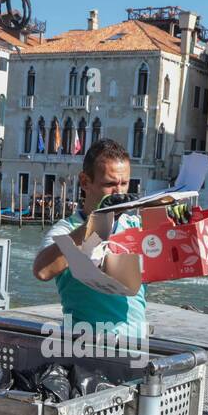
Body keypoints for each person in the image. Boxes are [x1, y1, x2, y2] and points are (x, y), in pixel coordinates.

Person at [32, 139, 146, 341]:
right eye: (110, 184)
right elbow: (42, 271)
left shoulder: (137, 227)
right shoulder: (65, 230)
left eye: (124, 183)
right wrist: (94, 225)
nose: (119, 192)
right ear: (85, 182)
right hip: (84, 348)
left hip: (134, 348)